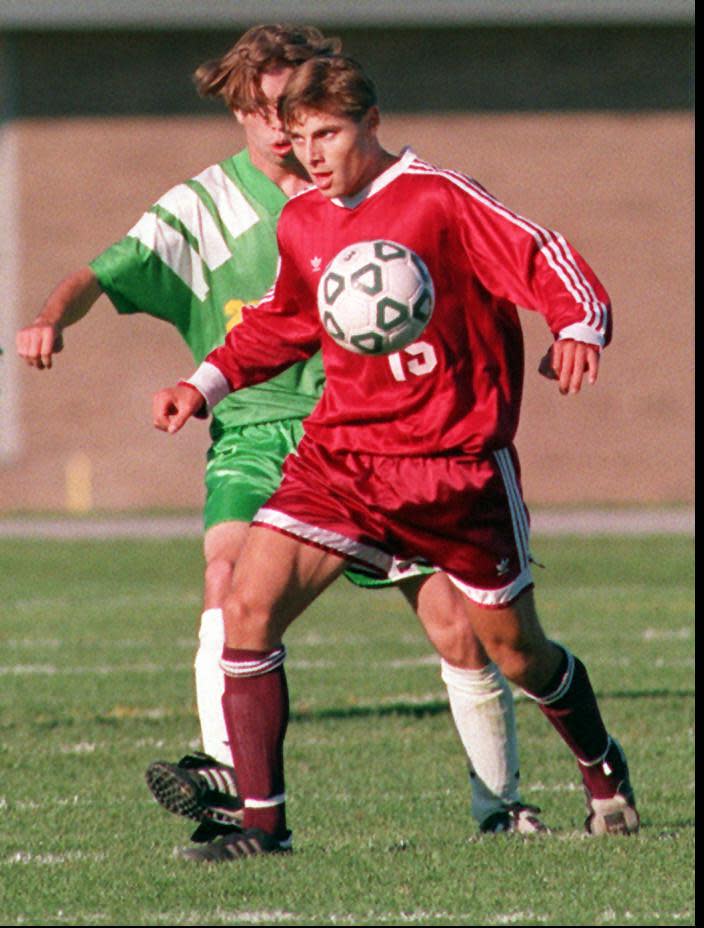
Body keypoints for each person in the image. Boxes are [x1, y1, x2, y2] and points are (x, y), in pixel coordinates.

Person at [15, 27, 541, 844]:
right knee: (229, 582)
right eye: (264, 111)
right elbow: (101, 271)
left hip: (371, 434)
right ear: (237, 115)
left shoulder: (368, 194)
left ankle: (500, 806)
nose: (283, 126)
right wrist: (50, 319)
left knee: (456, 625)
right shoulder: (201, 207)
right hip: (258, 437)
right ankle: (236, 783)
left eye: (297, 106)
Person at [153, 53, 640, 862]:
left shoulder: (439, 200)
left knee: (517, 652)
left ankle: (599, 766)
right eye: (302, 137)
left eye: (330, 133)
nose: (314, 153)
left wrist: (580, 325)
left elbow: (541, 255)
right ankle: (263, 828)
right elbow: (281, 321)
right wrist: (203, 381)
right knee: (247, 607)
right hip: (342, 458)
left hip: (453, 466)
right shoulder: (304, 220)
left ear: (372, 125)